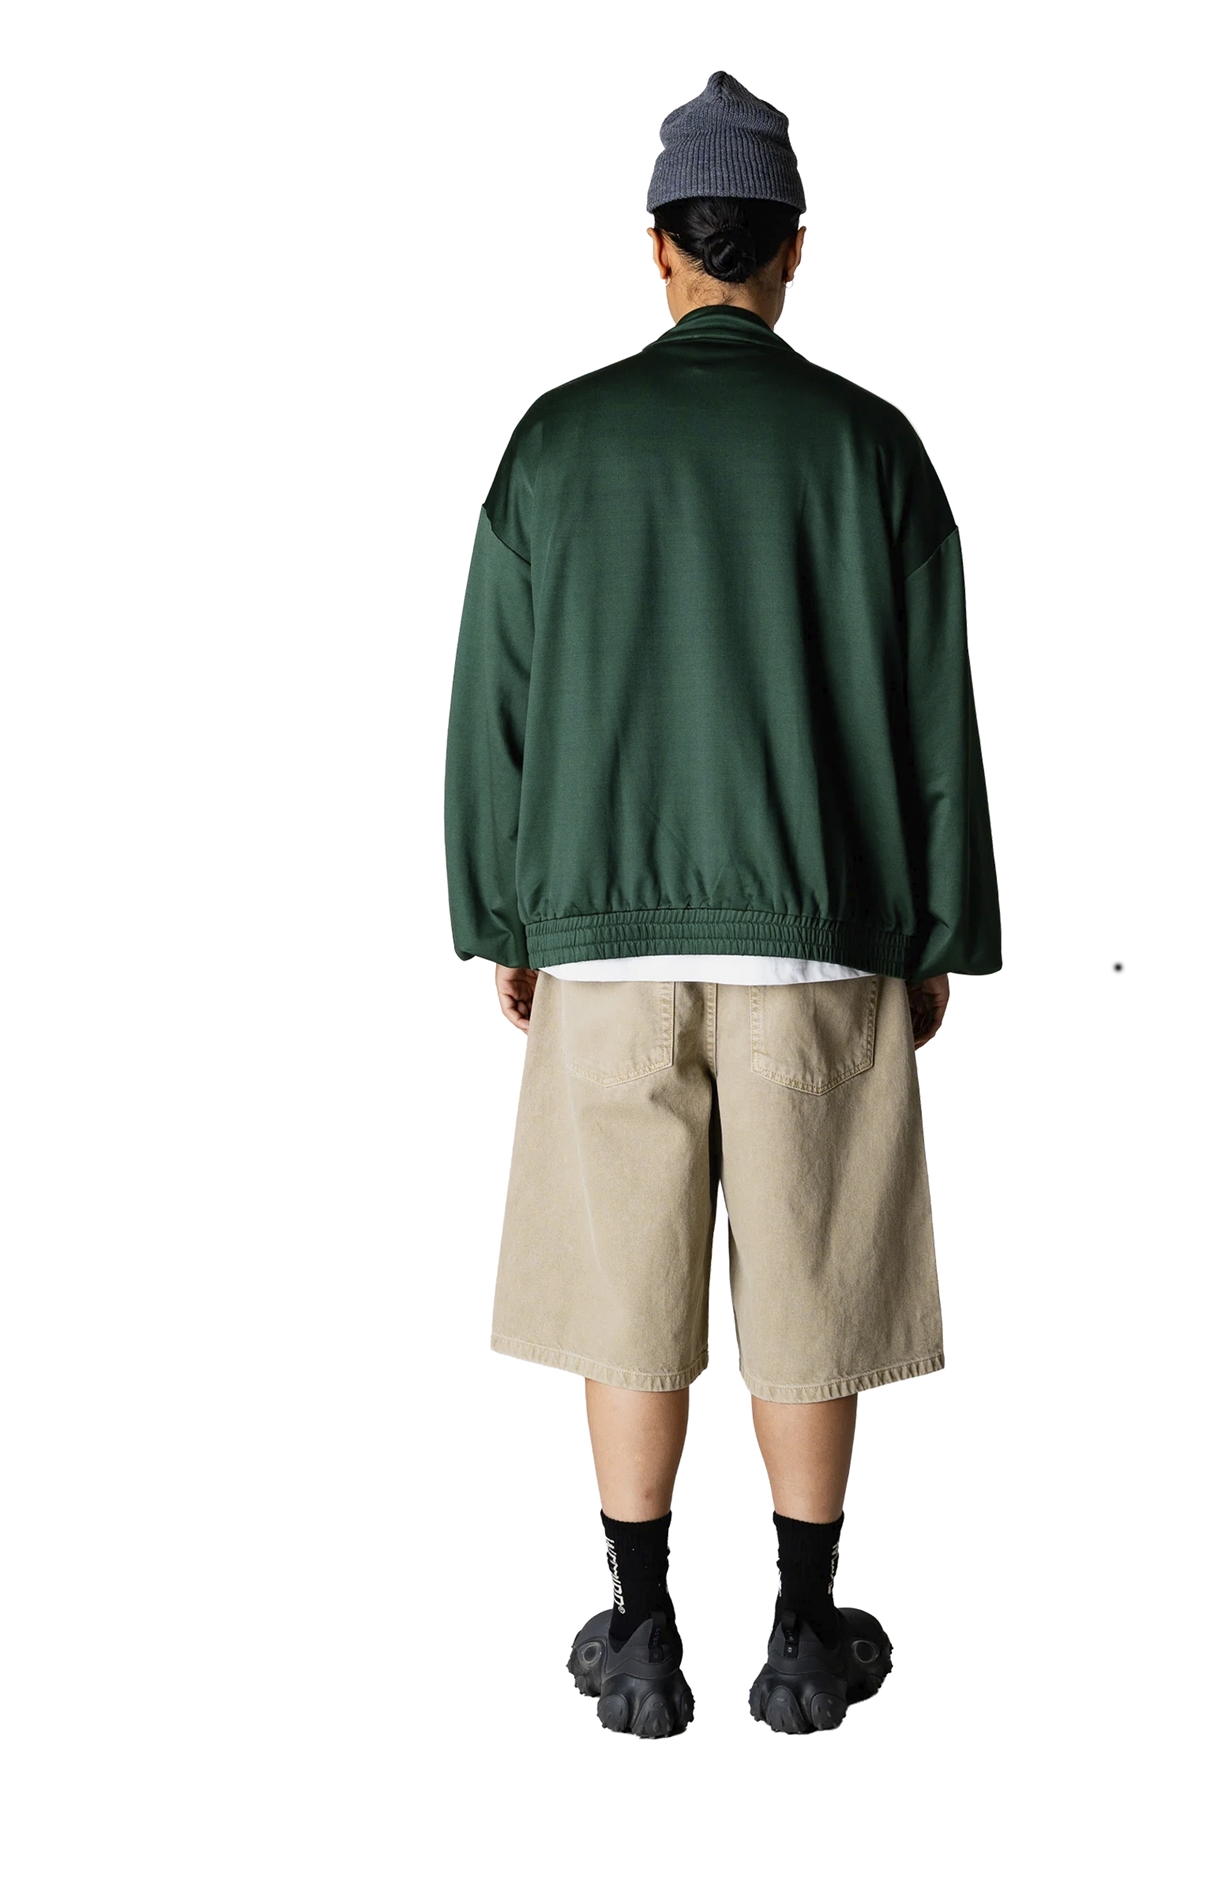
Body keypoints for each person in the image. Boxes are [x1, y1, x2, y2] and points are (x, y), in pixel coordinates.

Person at [444, 71, 1001, 1739]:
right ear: (793, 248)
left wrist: (506, 915)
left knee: (624, 1292)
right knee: (815, 1285)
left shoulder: (557, 443)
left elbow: (494, 707)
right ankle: (806, 1632)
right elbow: (934, 714)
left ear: (660, 249)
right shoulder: (870, 447)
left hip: (607, 943)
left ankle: (640, 1627)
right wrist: (936, 932)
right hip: (819, 938)